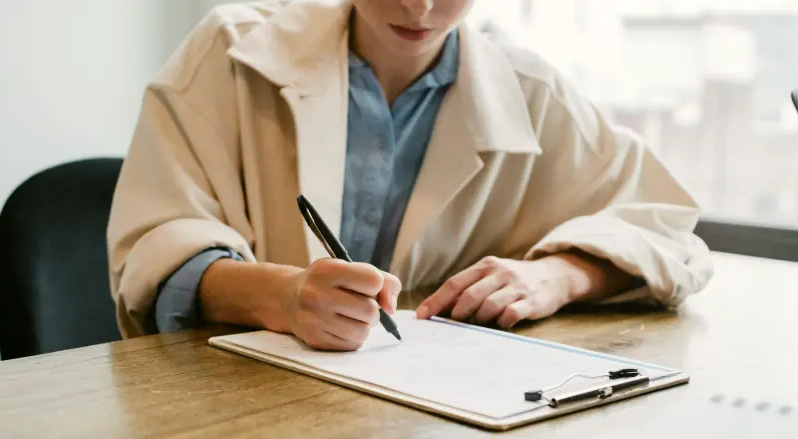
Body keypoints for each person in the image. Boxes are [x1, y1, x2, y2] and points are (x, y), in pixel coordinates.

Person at [107, 0, 713, 351]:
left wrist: (556, 275)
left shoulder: (533, 94)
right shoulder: (229, 50)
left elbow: (670, 233)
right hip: (231, 414)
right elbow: (155, 253)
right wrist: (284, 298)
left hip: (431, 427)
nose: (419, 7)